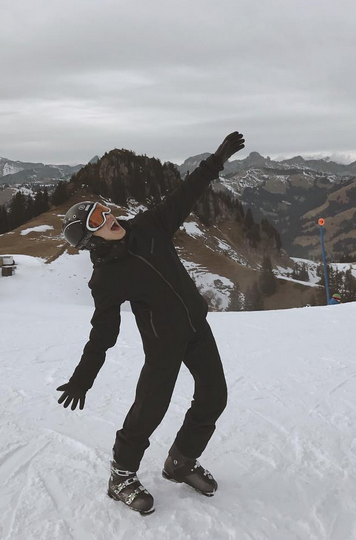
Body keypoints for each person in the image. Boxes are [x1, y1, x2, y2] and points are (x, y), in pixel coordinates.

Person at [58, 132, 245, 516]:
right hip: (163, 344)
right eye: (97, 219)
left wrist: (215, 162)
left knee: (214, 396)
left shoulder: (149, 226)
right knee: (150, 409)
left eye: (104, 210)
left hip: (196, 327)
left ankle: (180, 461)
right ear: (89, 239)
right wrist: (83, 377)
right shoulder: (106, 279)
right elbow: (103, 334)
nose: (109, 217)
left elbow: (185, 193)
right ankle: (121, 475)